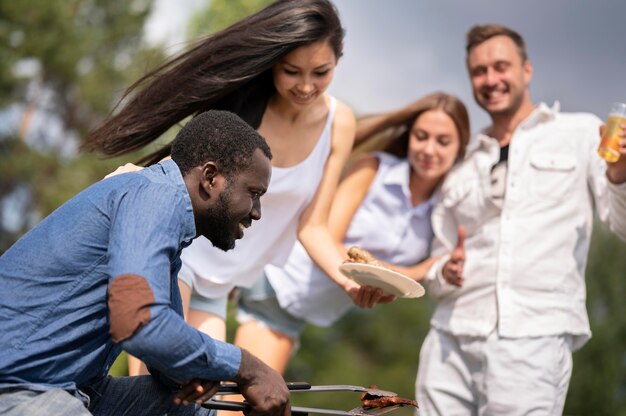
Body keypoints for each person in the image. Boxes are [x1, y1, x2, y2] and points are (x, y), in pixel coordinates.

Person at [83, 0, 381, 376]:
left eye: (321, 72)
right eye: (292, 71)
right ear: (274, 61)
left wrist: (349, 281)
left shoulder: (340, 124)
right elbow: (184, 169)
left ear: (339, 59)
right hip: (179, 257)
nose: (306, 86)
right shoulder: (242, 105)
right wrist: (133, 179)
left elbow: (313, 226)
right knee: (159, 387)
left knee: (210, 403)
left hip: (221, 284)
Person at [0, 111, 291, 416]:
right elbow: (139, 323)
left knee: (186, 407)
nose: (256, 212)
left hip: (67, 385)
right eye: (254, 193)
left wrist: (200, 370)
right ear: (210, 178)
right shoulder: (155, 197)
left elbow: (164, 365)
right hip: (16, 385)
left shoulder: (167, 217)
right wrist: (247, 366)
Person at [415, 24, 626, 415]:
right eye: (479, 71)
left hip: (533, 338)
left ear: (526, 70)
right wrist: (446, 272)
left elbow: (621, 225)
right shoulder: (461, 162)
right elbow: (437, 261)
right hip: (449, 340)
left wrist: (619, 175)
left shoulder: (579, 133)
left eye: (501, 66)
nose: (490, 79)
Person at [233, 92, 471, 374]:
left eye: (443, 141)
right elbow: (328, 234)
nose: (429, 149)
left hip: (302, 311)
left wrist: (441, 268)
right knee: (246, 404)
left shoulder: (443, 208)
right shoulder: (374, 169)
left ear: (460, 148)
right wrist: (424, 269)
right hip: (278, 287)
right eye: (421, 136)